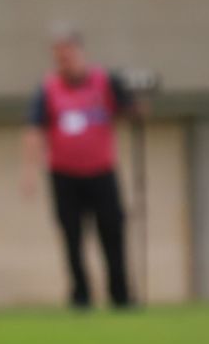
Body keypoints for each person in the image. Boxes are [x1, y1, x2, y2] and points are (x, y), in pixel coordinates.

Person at [21, 25, 145, 310]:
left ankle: (121, 295)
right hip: (64, 175)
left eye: (68, 54)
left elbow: (128, 111)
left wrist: (137, 109)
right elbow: (34, 129)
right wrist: (29, 171)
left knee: (112, 233)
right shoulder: (48, 89)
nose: (64, 60)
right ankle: (81, 296)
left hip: (101, 172)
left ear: (80, 52)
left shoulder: (104, 82)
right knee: (72, 237)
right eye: (58, 56)